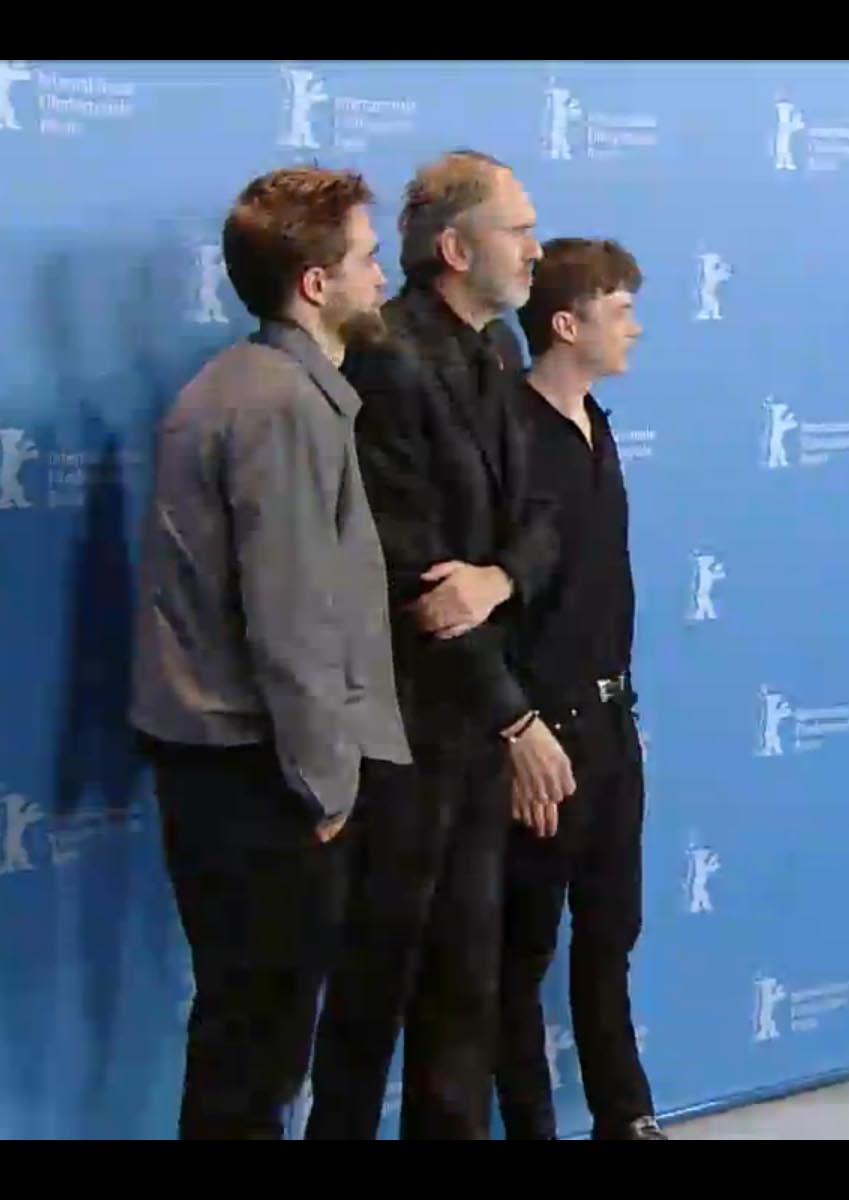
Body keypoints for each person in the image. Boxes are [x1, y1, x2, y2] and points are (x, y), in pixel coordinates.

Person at [128, 166, 409, 1139]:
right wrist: (327, 785)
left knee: (248, 1041)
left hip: (240, 766)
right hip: (259, 776)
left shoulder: (262, 389)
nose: (383, 277)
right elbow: (291, 618)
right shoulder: (281, 404)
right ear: (316, 283)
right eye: (368, 259)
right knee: (256, 1050)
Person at [305, 149, 576, 1140]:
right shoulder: (385, 356)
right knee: (375, 989)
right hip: (406, 733)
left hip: (474, 725)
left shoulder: (499, 347)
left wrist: (500, 579)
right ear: (458, 249)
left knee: (466, 985)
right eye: (520, 230)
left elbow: (542, 517)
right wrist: (515, 721)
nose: (536, 250)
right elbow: (415, 578)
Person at [493, 238, 665, 1141]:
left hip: (612, 725)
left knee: (610, 933)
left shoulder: (598, 424)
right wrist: (518, 732)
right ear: (566, 324)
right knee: (519, 954)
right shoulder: (512, 437)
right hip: (540, 738)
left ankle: (625, 1116)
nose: (634, 326)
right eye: (620, 309)